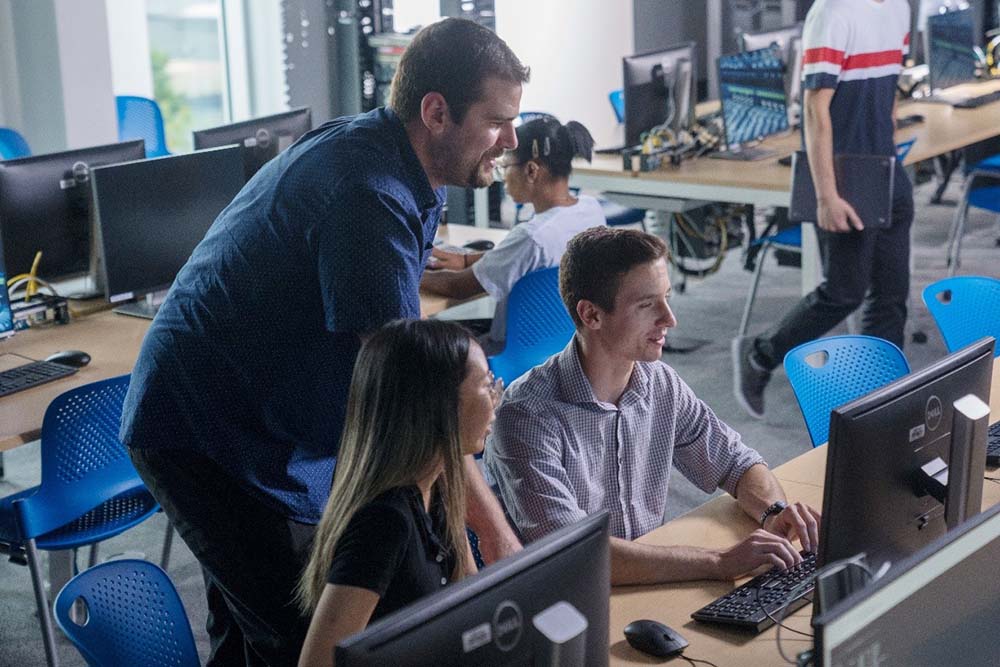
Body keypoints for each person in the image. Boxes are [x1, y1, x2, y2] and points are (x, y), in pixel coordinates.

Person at [120, 19, 529, 665]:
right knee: (298, 634)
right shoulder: (366, 190)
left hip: (267, 417)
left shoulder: (394, 156)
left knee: (257, 618)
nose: (511, 138)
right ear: (436, 112)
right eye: (498, 119)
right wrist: (494, 532)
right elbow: (412, 394)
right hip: (210, 432)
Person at [485, 228, 821, 585]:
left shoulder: (659, 382)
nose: (670, 319)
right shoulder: (526, 417)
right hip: (567, 602)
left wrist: (773, 513)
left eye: (667, 298)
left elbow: (736, 464)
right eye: (647, 305)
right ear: (591, 315)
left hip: (648, 582)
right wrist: (718, 561)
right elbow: (576, 554)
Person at [734, 0, 914, 419]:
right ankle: (760, 354)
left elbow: (890, 93)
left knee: (892, 297)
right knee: (844, 292)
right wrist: (827, 195)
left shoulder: (900, 8)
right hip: (845, 172)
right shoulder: (832, 12)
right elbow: (815, 110)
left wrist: (888, 150)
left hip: (886, 169)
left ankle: (878, 404)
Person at [296, 319, 498, 667]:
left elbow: (470, 601)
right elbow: (318, 663)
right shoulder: (384, 523)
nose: (496, 396)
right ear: (439, 406)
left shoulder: (437, 490)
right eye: (485, 385)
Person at [421, 117, 606, 353]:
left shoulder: (531, 237)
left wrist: (410, 273)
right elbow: (525, 257)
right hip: (564, 345)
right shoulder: (591, 210)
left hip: (507, 352)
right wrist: (466, 260)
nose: (502, 177)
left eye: (505, 167)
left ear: (531, 170)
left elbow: (457, 288)